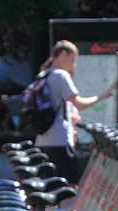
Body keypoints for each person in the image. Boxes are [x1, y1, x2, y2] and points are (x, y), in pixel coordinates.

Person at [33, 40, 113, 184]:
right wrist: (102, 96)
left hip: (42, 139)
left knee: (50, 183)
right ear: (63, 54)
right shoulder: (61, 75)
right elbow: (79, 104)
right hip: (60, 139)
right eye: (73, 59)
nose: (73, 65)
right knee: (68, 185)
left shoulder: (42, 75)